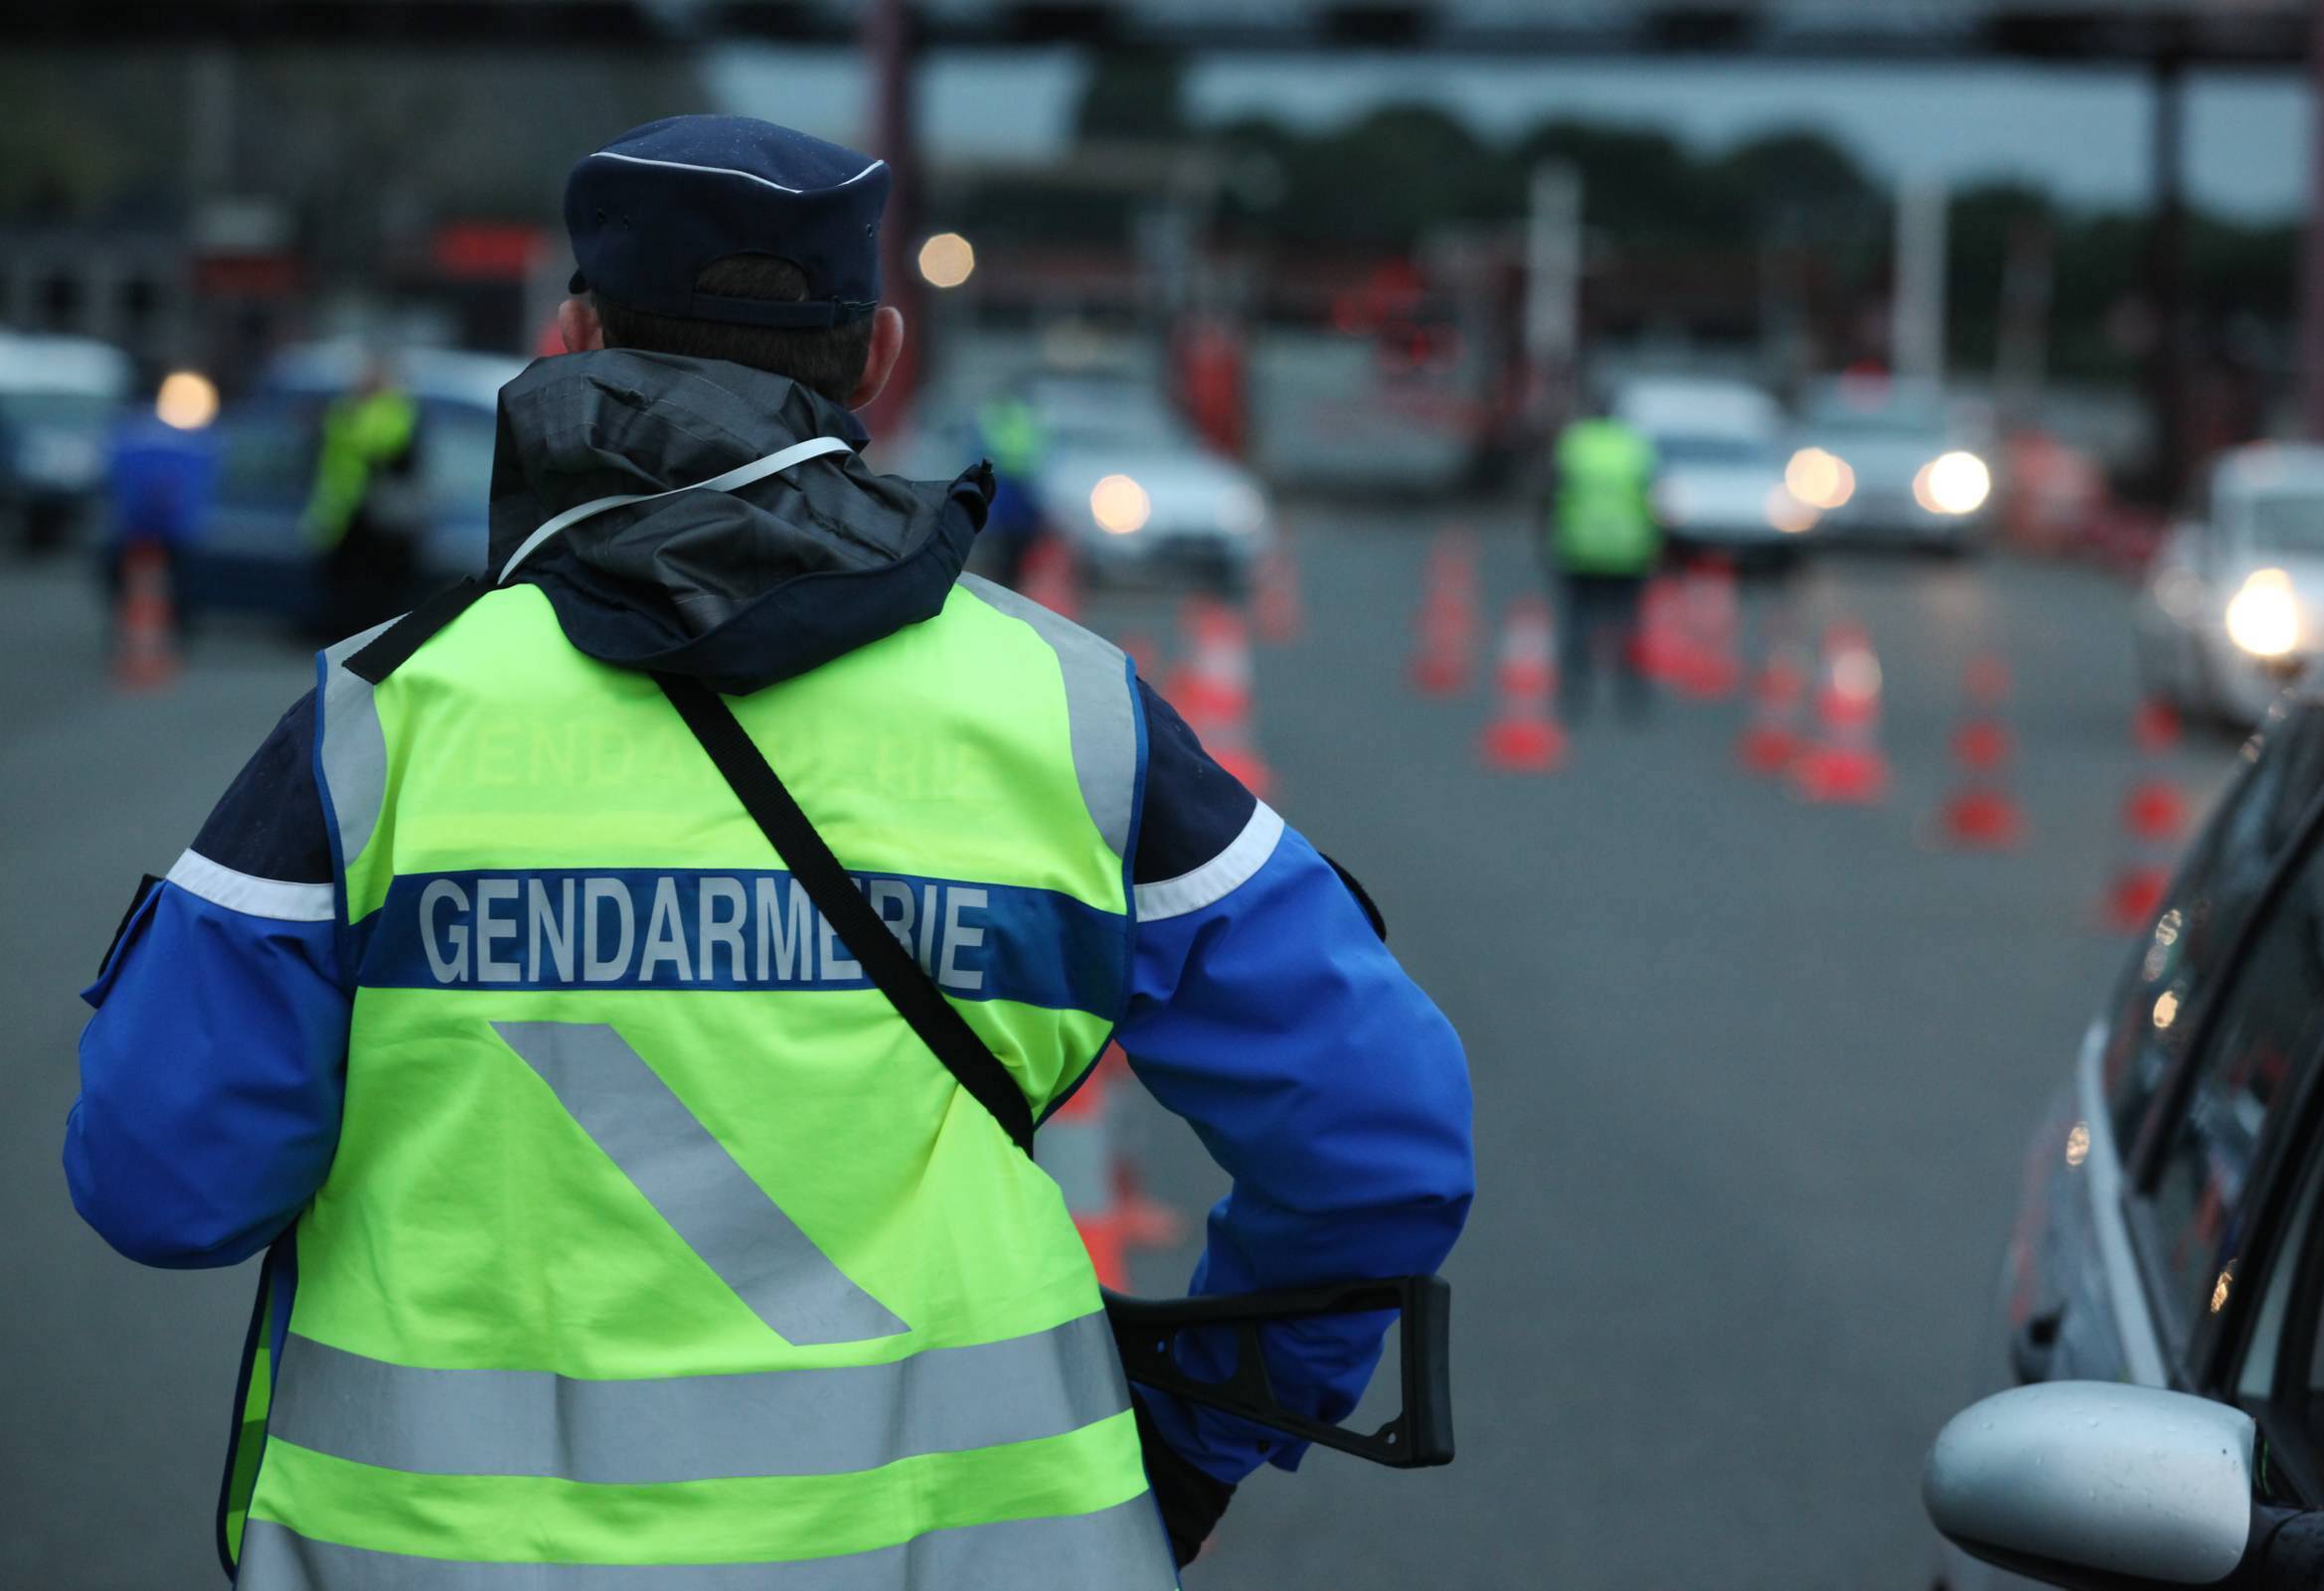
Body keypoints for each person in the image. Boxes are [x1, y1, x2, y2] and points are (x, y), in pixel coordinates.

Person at [65, 115, 1472, 1589]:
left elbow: (165, 1181)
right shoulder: (1074, 717)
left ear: (569, 335)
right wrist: (1195, 1440)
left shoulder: (380, 724)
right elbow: (1377, 1139)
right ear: (875, 355)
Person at [1545, 386, 1662, 718]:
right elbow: (1653, 499)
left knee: (1579, 619)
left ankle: (1574, 693)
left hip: (1579, 546)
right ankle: (1632, 697)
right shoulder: (1635, 447)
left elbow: (1552, 495)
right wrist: (1656, 544)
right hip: (1629, 548)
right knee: (1627, 621)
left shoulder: (1575, 444)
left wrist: (1548, 539)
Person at [302, 358, 420, 639]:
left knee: (374, 591)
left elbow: (396, 454)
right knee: (348, 590)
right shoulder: (345, 412)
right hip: (345, 513)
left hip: (376, 517)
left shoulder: (388, 412)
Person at [101, 372, 220, 641]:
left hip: (137, 524)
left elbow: (111, 474)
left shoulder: (131, 432)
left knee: (127, 579)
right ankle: (172, 630)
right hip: (165, 526)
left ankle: (137, 629)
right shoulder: (197, 438)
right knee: (180, 582)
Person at [970, 379, 1050, 588]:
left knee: (1004, 536)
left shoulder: (996, 414)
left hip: (1008, 480)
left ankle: (1005, 576)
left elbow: (981, 446)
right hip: (1018, 481)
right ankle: (1011, 577)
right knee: (1014, 538)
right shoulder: (1026, 415)